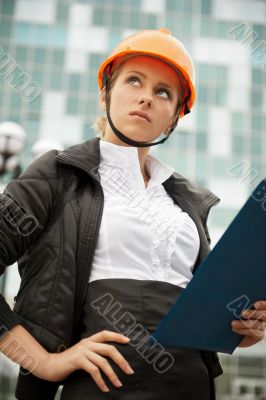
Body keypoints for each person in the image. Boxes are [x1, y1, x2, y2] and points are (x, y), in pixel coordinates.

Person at [0, 28, 265, 400]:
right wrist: (44, 362)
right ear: (106, 92)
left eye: (163, 92)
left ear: (174, 117)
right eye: (134, 81)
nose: (146, 98)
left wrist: (244, 326)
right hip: (100, 389)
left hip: (191, 387)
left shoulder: (188, 205)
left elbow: (207, 313)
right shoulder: (57, 175)